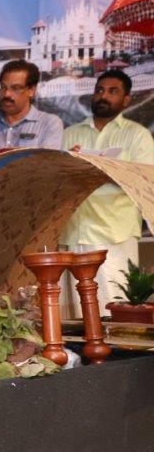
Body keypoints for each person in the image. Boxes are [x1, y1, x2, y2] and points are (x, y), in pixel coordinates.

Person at [61, 69, 154, 316]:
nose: (104, 96)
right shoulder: (70, 134)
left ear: (126, 100)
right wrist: (72, 164)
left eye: (113, 91)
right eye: (100, 90)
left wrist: (104, 168)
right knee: (77, 314)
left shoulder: (137, 135)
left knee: (112, 310)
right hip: (74, 232)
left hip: (114, 234)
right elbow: (57, 179)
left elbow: (145, 180)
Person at [0, 60, 62, 150]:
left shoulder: (49, 123)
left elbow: (47, 158)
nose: (7, 94)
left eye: (16, 88)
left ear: (31, 91)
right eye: (3, 87)